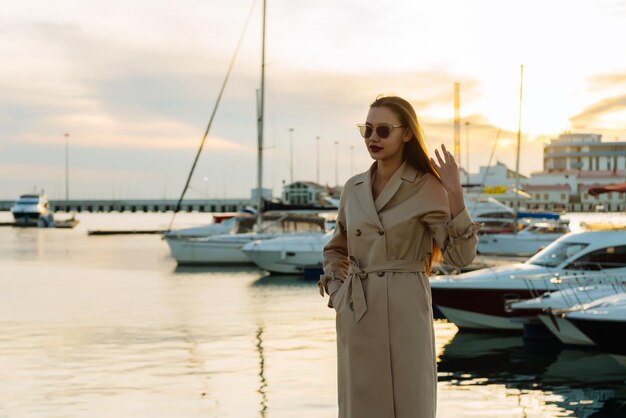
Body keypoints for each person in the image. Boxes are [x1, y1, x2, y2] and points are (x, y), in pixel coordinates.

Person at [318, 95, 481, 418]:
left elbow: (460, 257)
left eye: (382, 130)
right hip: (358, 307)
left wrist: (455, 196)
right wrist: (338, 291)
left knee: (409, 402)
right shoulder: (354, 188)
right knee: (361, 405)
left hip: (406, 309)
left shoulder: (426, 187)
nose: (372, 138)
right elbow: (337, 247)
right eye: (367, 130)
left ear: (406, 133)